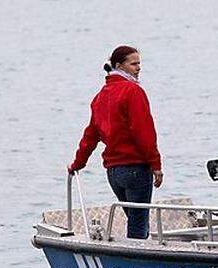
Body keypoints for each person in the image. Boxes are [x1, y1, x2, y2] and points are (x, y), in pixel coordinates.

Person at [68, 45, 163, 239]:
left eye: (140, 63)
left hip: (114, 173)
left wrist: (77, 164)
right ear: (119, 65)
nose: (139, 68)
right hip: (135, 168)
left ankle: (133, 260)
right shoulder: (133, 91)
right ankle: (138, 264)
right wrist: (156, 165)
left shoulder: (101, 96)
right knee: (138, 225)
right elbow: (143, 132)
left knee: (135, 220)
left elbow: (90, 135)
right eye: (134, 63)